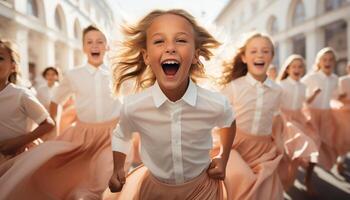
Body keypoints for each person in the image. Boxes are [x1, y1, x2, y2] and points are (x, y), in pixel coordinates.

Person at [106, 9, 236, 200]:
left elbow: (229, 121)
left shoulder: (215, 103)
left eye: (181, 40)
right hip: (154, 191)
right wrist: (118, 168)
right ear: (146, 56)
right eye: (159, 41)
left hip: (203, 189)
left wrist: (223, 157)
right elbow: (121, 135)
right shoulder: (134, 106)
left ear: (195, 56)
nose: (170, 48)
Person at [0, 25, 122, 199]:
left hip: (112, 137)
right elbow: (56, 101)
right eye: (89, 42)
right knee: (73, 179)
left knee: (104, 178)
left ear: (107, 46)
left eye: (100, 41)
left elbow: (131, 101)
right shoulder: (74, 75)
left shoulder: (118, 73)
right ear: (84, 47)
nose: (95, 45)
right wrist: (55, 134)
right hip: (83, 137)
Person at [218, 32, 284, 200]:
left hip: (263, 150)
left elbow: (276, 119)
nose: (260, 54)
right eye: (253, 51)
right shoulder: (233, 87)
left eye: (265, 51)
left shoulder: (277, 90)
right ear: (244, 57)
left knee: (265, 192)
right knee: (240, 184)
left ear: (272, 57)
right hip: (233, 146)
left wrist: (279, 143)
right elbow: (218, 119)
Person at [0, 39, 54, 164]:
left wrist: (18, 142)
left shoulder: (20, 95)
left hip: (17, 161)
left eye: (0, 58)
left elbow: (48, 124)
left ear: (13, 66)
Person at [276, 54, 319, 194]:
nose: (297, 69)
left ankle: (307, 180)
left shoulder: (303, 86)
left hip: (298, 120)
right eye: (294, 66)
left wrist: (313, 96)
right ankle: (281, 182)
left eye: (300, 66)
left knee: (314, 143)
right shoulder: (281, 85)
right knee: (286, 153)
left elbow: (304, 102)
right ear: (287, 69)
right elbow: (274, 104)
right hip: (283, 120)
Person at [301, 47, 339, 171]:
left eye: (330, 60)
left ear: (334, 62)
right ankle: (308, 175)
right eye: (324, 59)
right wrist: (313, 95)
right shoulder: (311, 77)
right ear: (319, 62)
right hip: (312, 115)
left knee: (328, 145)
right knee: (313, 146)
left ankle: (337, 164)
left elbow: (335, 96)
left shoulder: (335, 79)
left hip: (327, 116)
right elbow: (301, 97)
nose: (327, 62)